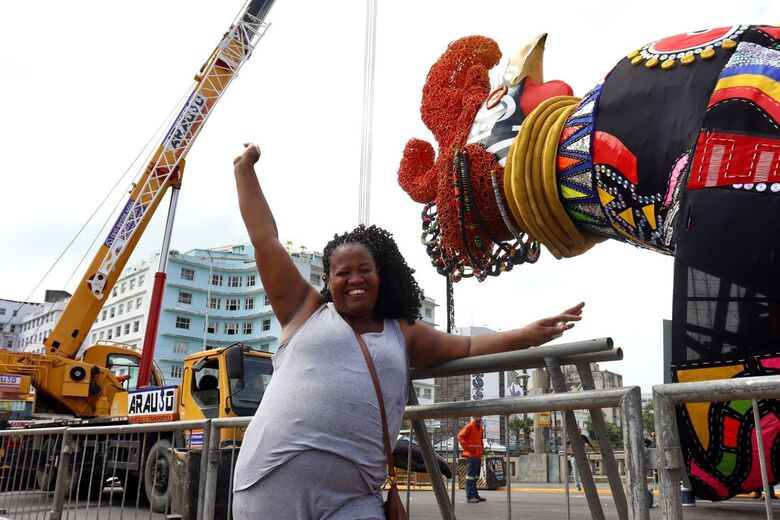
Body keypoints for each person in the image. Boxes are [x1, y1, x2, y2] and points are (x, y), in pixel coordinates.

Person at [230, 143, 585, 519]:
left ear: (381, 275)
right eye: (343, 272)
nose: (355, 279)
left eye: (364, 270)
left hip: (354, 498)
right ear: (328, 281)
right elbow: (265, 238)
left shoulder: (401, 333)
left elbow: (468, 345)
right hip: (271, 484)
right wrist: (244, 170)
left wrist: (528, 335)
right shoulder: (304, 311)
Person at [458, 416, 486, 503]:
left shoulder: (481, 428)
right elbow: (460, 437)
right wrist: (468, 448)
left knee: (475, 476)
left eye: (480, 416)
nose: (479, 418)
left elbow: (480, 442)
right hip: (471, 455)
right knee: (470, 477)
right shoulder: (469, 426)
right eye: (477, 416)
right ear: (474, 417)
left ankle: (475, 494)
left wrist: (482, 451)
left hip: (478, 455)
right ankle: (470, 496)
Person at [567, 427, 597, 491]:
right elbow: (566, 445)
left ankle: (585, 484)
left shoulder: (583, 437)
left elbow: (589, 444)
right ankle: (577, 485)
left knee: (584, 471)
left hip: (582, 456)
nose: (579, 431)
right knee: (575, 472)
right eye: (578, 430)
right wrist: (569, 451)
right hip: (574, 456)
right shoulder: (572, 437)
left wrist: (595, 451)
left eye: (580, 430)